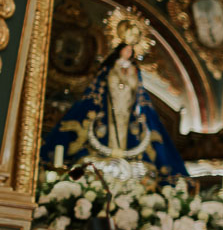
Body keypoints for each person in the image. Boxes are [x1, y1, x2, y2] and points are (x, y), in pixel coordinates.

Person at [41, 42, 187, 177]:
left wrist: (129, 75)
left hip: (127, 107)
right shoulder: (111, 68)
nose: (128, 52)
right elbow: (105, 87)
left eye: (130, 51)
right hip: (111, 106)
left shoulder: (134, 71)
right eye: (126, 49)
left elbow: (136, 89)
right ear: (120, 51)